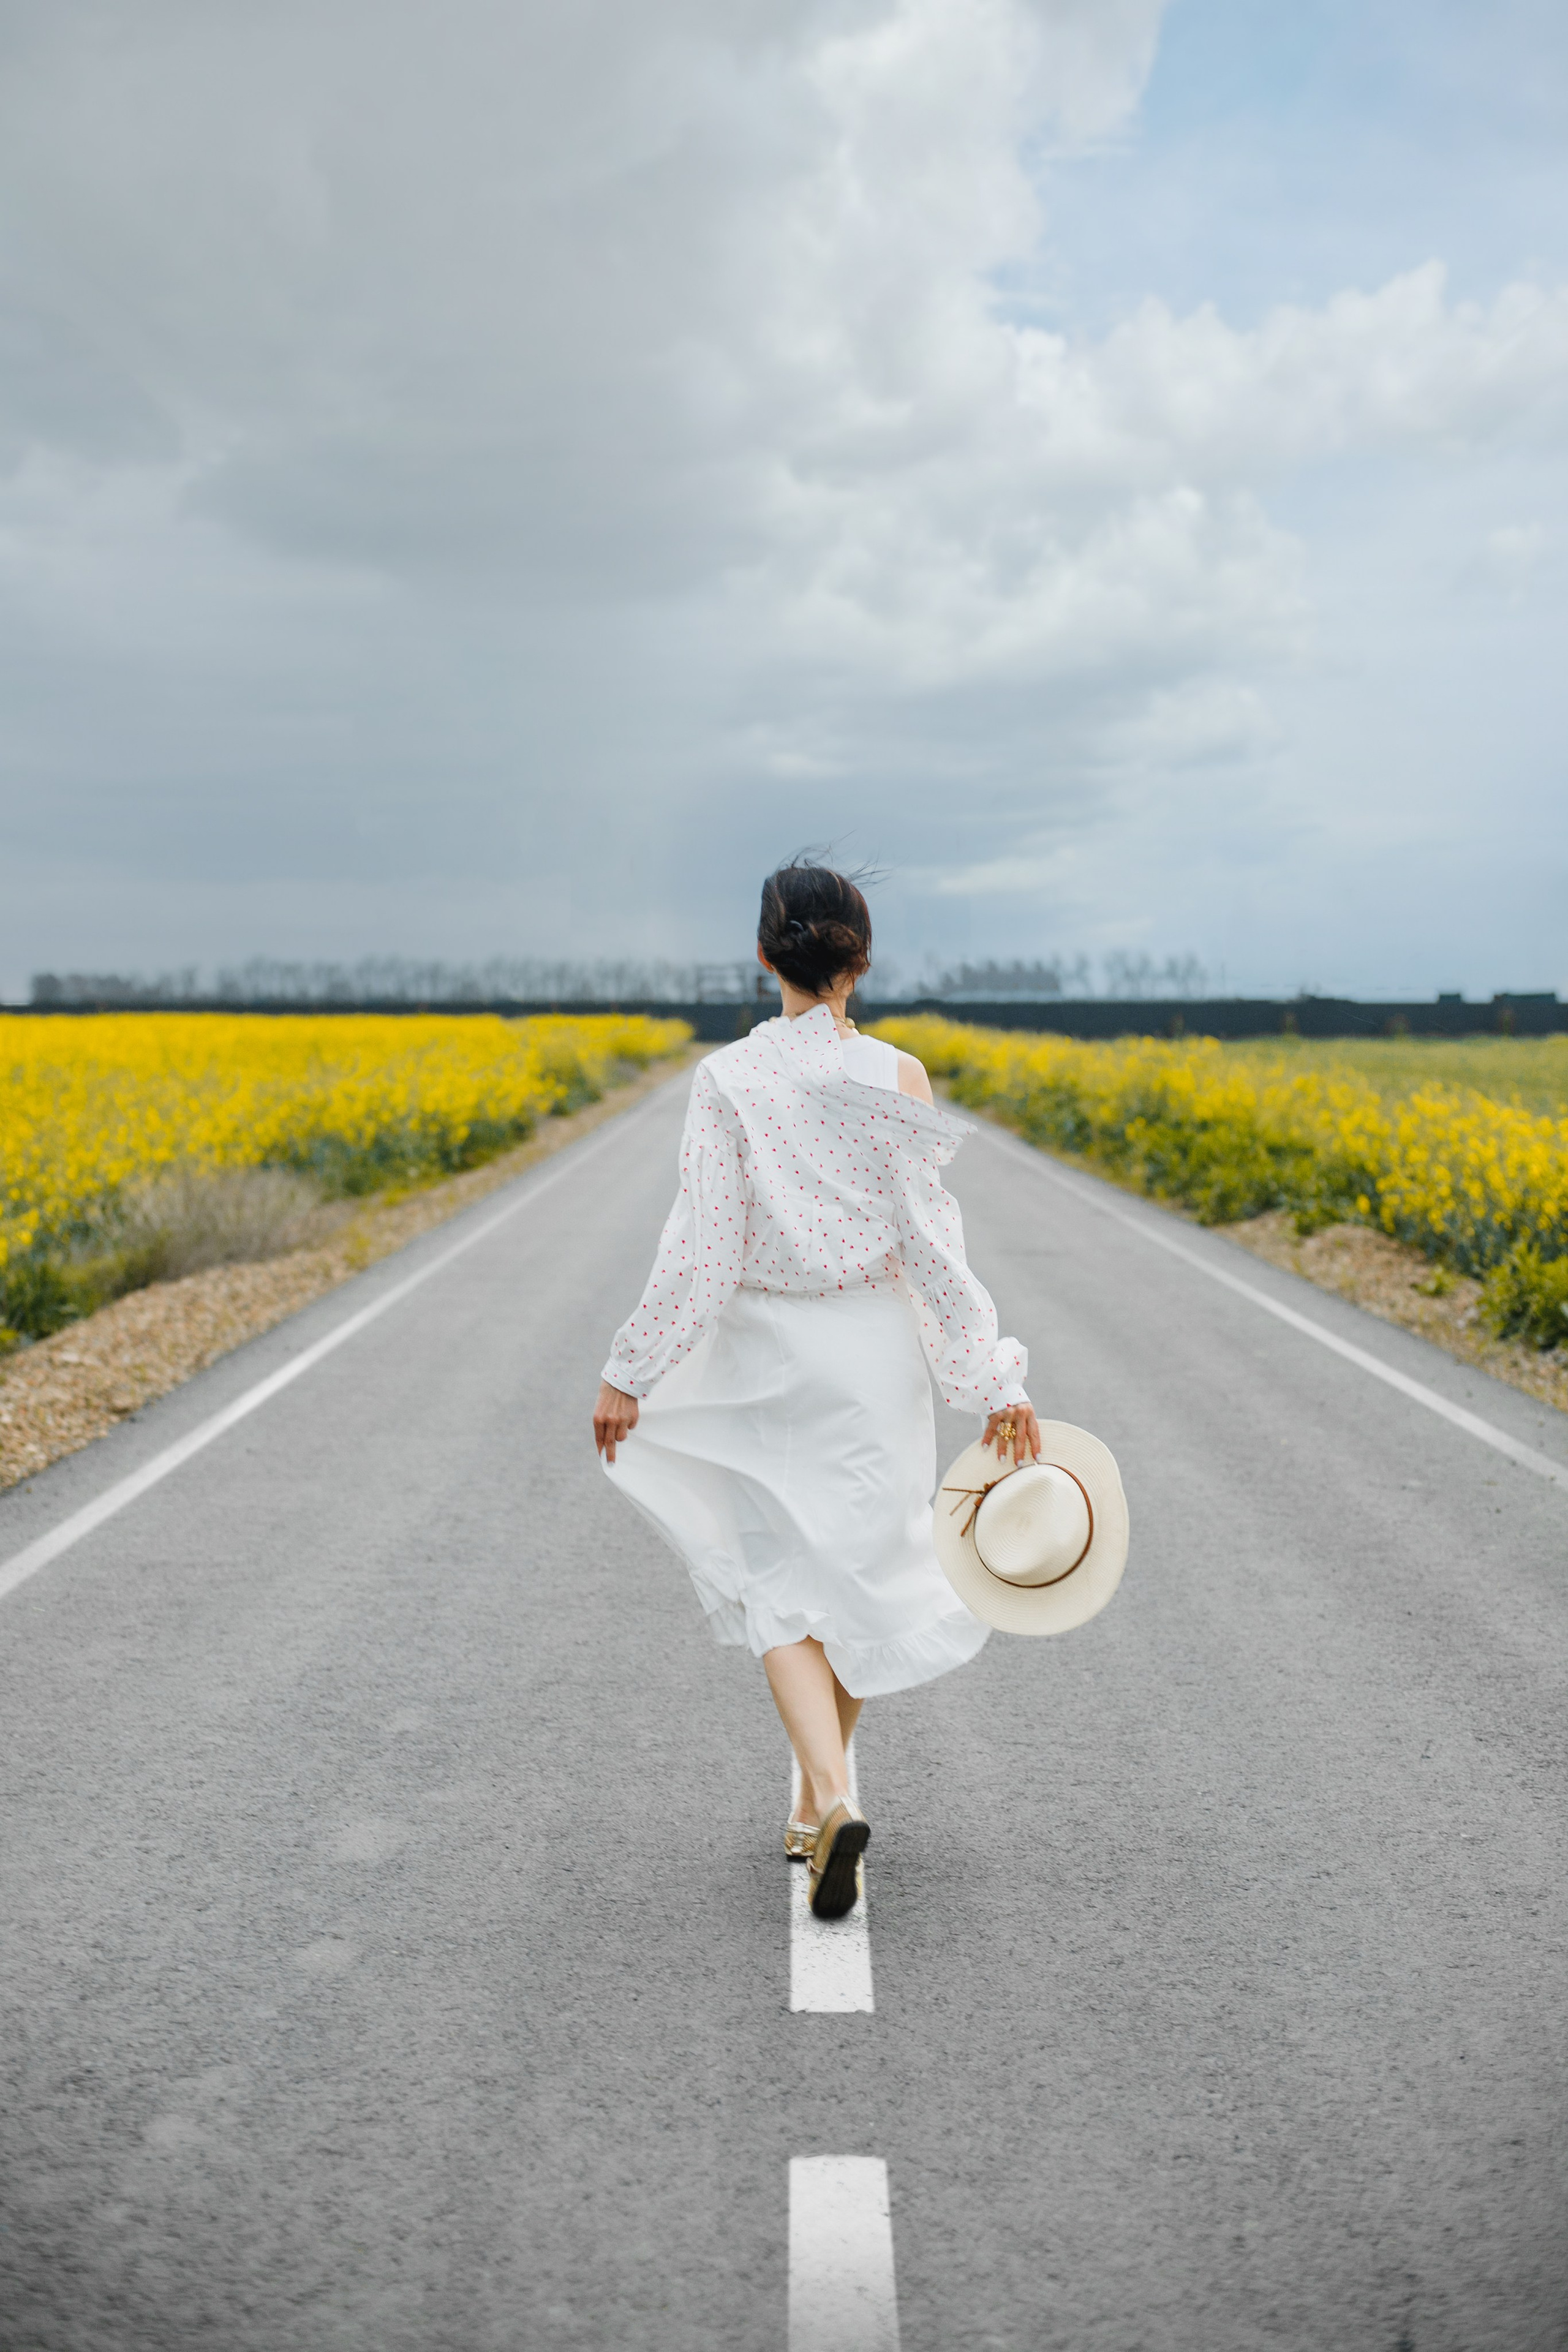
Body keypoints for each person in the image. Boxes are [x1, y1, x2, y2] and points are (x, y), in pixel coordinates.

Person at [592, 861, 1039, 1918]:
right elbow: (934, 1248)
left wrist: (629, 1370)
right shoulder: (899, 1077)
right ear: (860, 962)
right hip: (874, 1357)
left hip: (765, 1356)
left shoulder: (728, 1082)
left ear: (763, 961)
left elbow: (702, 1252)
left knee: (778, 1582)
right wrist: (989, 1376)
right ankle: (815, 1803)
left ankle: (829, 1798)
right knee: (852, 1568)